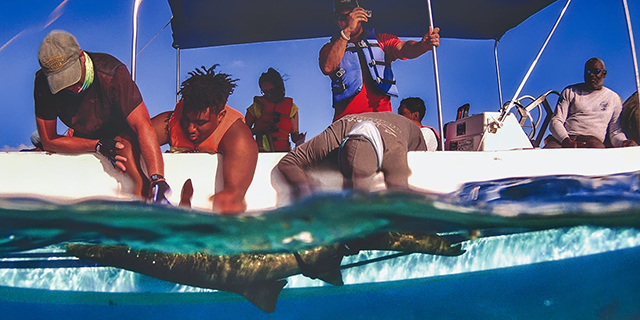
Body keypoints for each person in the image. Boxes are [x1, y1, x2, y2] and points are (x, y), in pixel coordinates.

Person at [34, 30, 170, 203]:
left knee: (132, 166)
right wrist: (98, 146)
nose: (70, 86)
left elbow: (142, 125)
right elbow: (49, 140)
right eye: (60, 82)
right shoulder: (42, 84)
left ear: (81, 57)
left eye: (71, 76)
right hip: (82, 137)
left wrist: (157, 178)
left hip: (123, 133)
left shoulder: (113, 73)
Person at [150, 65, 258, 214]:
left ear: (220, 116)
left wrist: (232, 195)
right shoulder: (171, 120)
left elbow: (234, 193)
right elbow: (130, 139)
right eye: (186, 120)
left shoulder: (237, 134)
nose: (190, 129)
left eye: (200, 123)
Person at [319, 0, 440, 121]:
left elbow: (404, 48)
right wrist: (347, 31)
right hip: (345, 122)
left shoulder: (381, 40)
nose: (349, 19)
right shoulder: (329, 49)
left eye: (352, 14)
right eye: (342, 17)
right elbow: (327, 67)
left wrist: (422, 46)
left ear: (361, 14)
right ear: (336, 21)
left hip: (381, 121)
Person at [277, 112, 426, 200]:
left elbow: (402, 198)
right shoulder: (331, 138)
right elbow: (288, 162)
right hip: (351, 123)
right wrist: (307, 195)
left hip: (412, 135)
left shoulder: (394, 152)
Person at [545, 57, 637, 149]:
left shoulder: (614, 98)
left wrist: (624, 142)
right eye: (588, 72)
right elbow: (556, 120)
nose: (592, 75)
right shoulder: (570, 91)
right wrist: (566, 140)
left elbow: (615, 131)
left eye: (596, 71)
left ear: (604, 73)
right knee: (547, 152)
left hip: (592, 140)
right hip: (567, 137)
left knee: (597, 149)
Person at [245, 68, 305, 152]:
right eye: (265, 92)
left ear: (279, 88)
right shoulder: (255, 108)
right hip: (261, 156)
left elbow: (294, 136)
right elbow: (242, 134)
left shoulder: (292, 108)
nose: (268, 94)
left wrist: (299, 138)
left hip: (282, 155)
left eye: (271, 91)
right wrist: (256, 130)